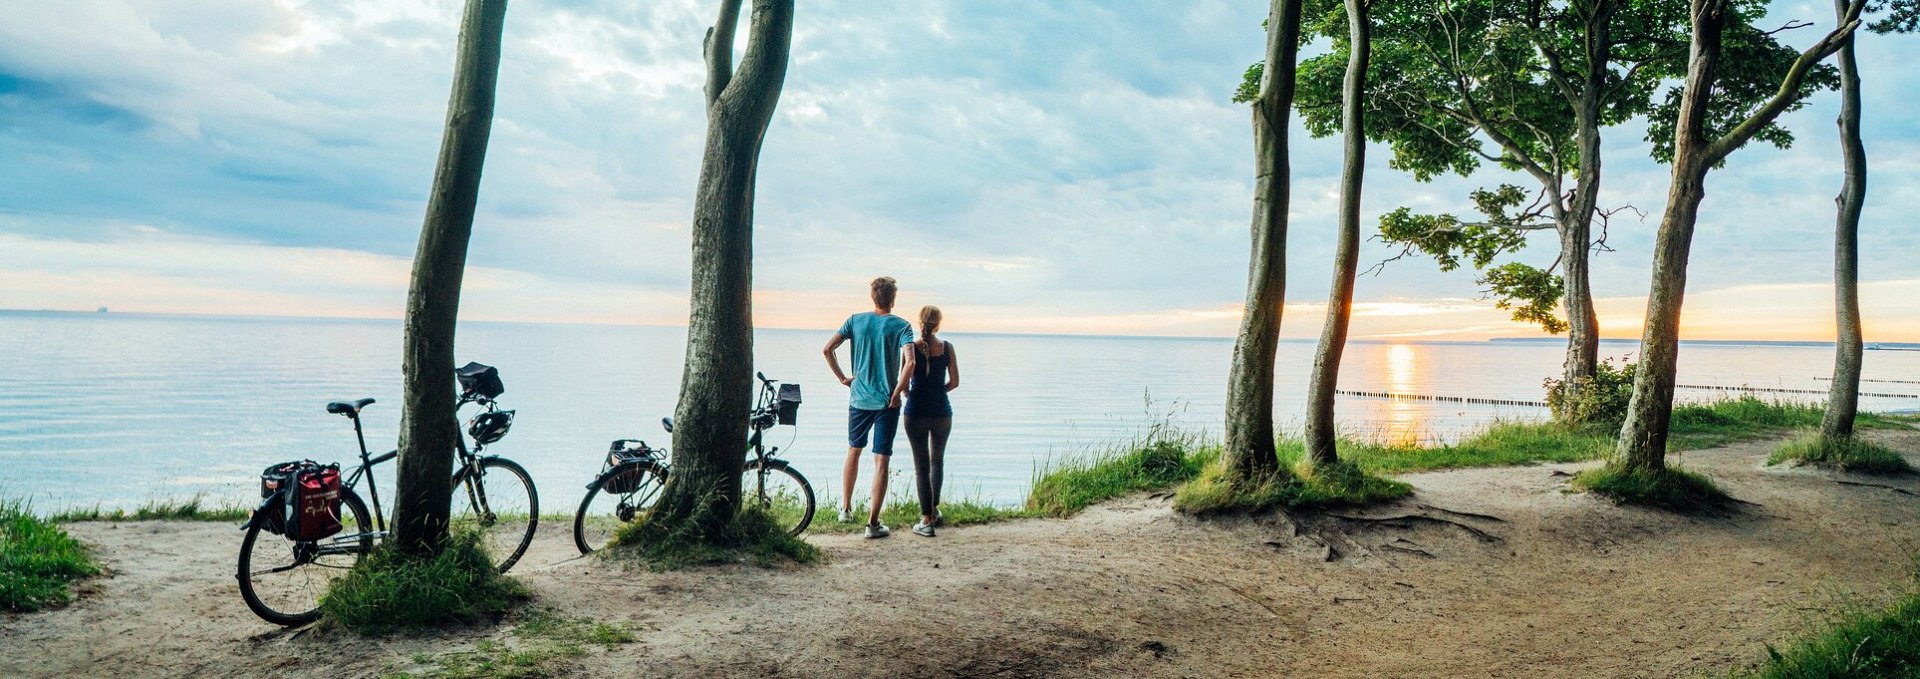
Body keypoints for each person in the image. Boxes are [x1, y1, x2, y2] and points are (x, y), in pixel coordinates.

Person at [822, 276, 914, 539]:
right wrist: (897, 392)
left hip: (859, 399)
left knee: (854, 449)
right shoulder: (902, 326)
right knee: (881, 459)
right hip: (887, 402)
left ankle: (846, 508)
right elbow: (910, 363)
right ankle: (872, 524)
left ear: (873, 297)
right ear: (893, 299)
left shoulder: (855, 321)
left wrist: (842, 378)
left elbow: (828, 349)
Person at [890, 305, 958, 538]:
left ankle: (926, 519)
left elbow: (904, 382)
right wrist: (938, 391)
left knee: (921, 467)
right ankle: (934, 510)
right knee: (937, 461)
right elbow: (955, 382)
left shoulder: (910, 348)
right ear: (938, 324)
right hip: (942, 412)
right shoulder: (947, 348)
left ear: (920, 322)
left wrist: (909, 394)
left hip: (916, 412)